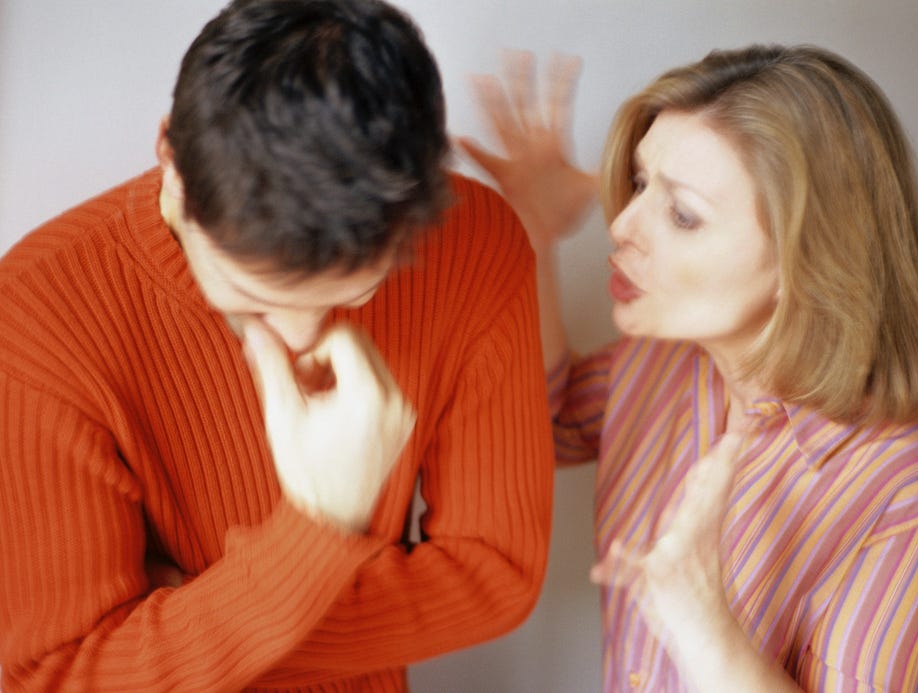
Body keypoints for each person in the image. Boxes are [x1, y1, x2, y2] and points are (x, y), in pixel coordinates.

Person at [0, 0, 554, 689]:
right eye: (251, 296)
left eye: (357, 294)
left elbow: (495, 573)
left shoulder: (476, 246)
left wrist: (194, 617)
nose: (302, 341)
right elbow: (61, 675)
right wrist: (319, 533)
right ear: (171, 154)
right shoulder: (40, 311)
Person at [460, 45, 918, 691]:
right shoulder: (662, 357)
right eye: (642, 182)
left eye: (682, 214)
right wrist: (533, 231)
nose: (621, 223)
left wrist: (703, 623)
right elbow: (547, 422)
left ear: (807, 262)